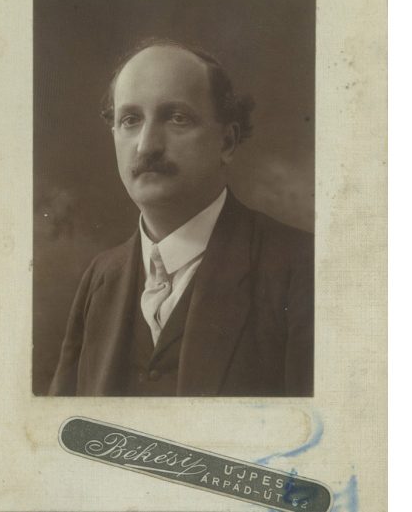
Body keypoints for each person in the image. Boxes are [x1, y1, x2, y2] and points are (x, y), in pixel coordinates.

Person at [49, 38, 313, 397]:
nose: (146, 145)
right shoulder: (100, 277)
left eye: (176, 118)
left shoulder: (303, 267)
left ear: (227, 142)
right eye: (130, 120)